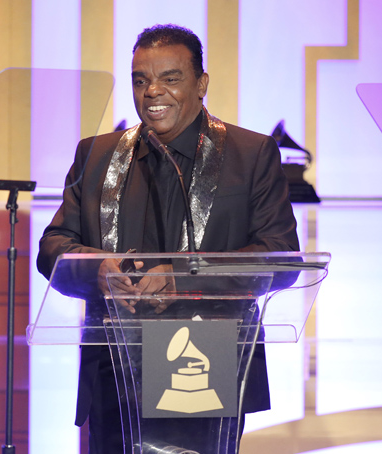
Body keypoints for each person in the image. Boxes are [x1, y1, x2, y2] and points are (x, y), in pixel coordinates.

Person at [36, 24, 299, 453]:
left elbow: (279, 256)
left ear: (201, 84)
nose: (152, 91)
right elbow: (55, 246)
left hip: (202, 361)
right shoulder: (97, 154)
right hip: (113, 368)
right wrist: (99, 269)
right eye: (141, 80)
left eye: (170, 78)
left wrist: (182, 275)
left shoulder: (250, 155)